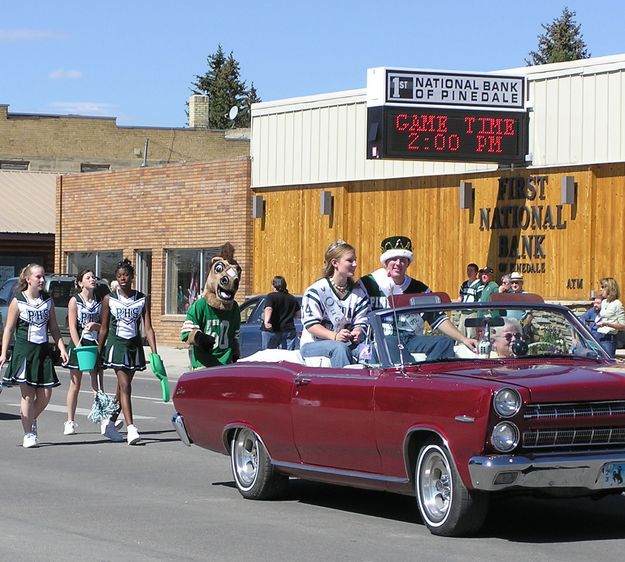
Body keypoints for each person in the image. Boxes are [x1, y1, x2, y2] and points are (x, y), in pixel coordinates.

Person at [359, 235, 477, 361]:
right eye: (394, 259)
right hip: (384, 340)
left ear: (408, 263)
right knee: (391, 343)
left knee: (444, 342)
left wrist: (464, 339)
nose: (398, 263)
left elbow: (438, 318)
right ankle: (409, 377)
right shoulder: (368, 284)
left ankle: (430, 377)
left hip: (411, 338)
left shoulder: (419, 289)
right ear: (385, 261)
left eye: (403, 259)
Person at [0, 264, 69, 448]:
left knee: (46, 394)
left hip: (43, 352)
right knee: (28, 395)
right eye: (38, 277)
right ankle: (28, 433)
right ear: (28, 279)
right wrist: (3, 352)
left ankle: (30, 419)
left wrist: (62, 348)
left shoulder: (48, 301)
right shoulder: (18, 301)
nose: (42, 280)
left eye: (43, 277)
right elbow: (9, 328)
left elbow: (54, 327)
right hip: (24, 351)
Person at [99, 259, 158, 445]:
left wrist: (154, 353)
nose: (123, 278)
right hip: (117, 346)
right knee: (125, 386)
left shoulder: (142, 298)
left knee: (120, 390)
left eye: (126, 275)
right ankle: (131, 428)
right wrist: (97, 351)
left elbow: (148, 328)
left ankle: (108, 423)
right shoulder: (110, 298)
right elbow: (103, 328)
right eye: (119, 276)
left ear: (132, 277)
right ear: (116, 278)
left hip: (134, 346)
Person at [300, 240, 370, 367]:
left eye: (355, 260)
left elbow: (361, 322)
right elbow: (311, 325)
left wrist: (357, 331)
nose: (355, 264)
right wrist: (335, 336)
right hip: (313, 344)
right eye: (350, 260)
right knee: (339, 349)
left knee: (371, 351)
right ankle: (345, 385)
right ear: (335, 263)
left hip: (346, 343)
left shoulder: (359, 294)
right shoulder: (316, 291)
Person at [64, 269, 103, 436]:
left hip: (94, 343)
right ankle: (70, 421)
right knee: (75, 384)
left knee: (97, 385)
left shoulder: (100, 301)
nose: (92, 279)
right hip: (79, 344)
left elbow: (104, 326)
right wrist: (77, 345)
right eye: (88, 277)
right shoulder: (75, 301)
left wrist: (96, 326)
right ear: (80, 283)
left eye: (93, 277)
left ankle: (103, 419)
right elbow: (72, 326)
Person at [261, 276, 301, 350]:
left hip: (272, 330)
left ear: (274, 285)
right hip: (288, 330)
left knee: (268, 355)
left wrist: (266, 322)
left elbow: (269, 309)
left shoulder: (271, 296)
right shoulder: (292, 298)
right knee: (288, 356)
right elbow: (298, 314)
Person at [595, 277, 625, 357]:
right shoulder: (604, 302)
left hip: (609, 339)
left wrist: (607, 324)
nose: (600, 289)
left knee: (607, 363)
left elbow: (623, 326)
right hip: (599, 335)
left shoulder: (617, 304)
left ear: (609, 289)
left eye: (602, 287)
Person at [454, 263, 480, 336]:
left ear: (476, 272)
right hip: (463, 312)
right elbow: (460, 297)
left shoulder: (479, 285)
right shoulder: (464, 284)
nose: (469, 272)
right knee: (460, 334)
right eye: (468, 270)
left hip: (473, 313)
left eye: (471, 270)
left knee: (471, 334)